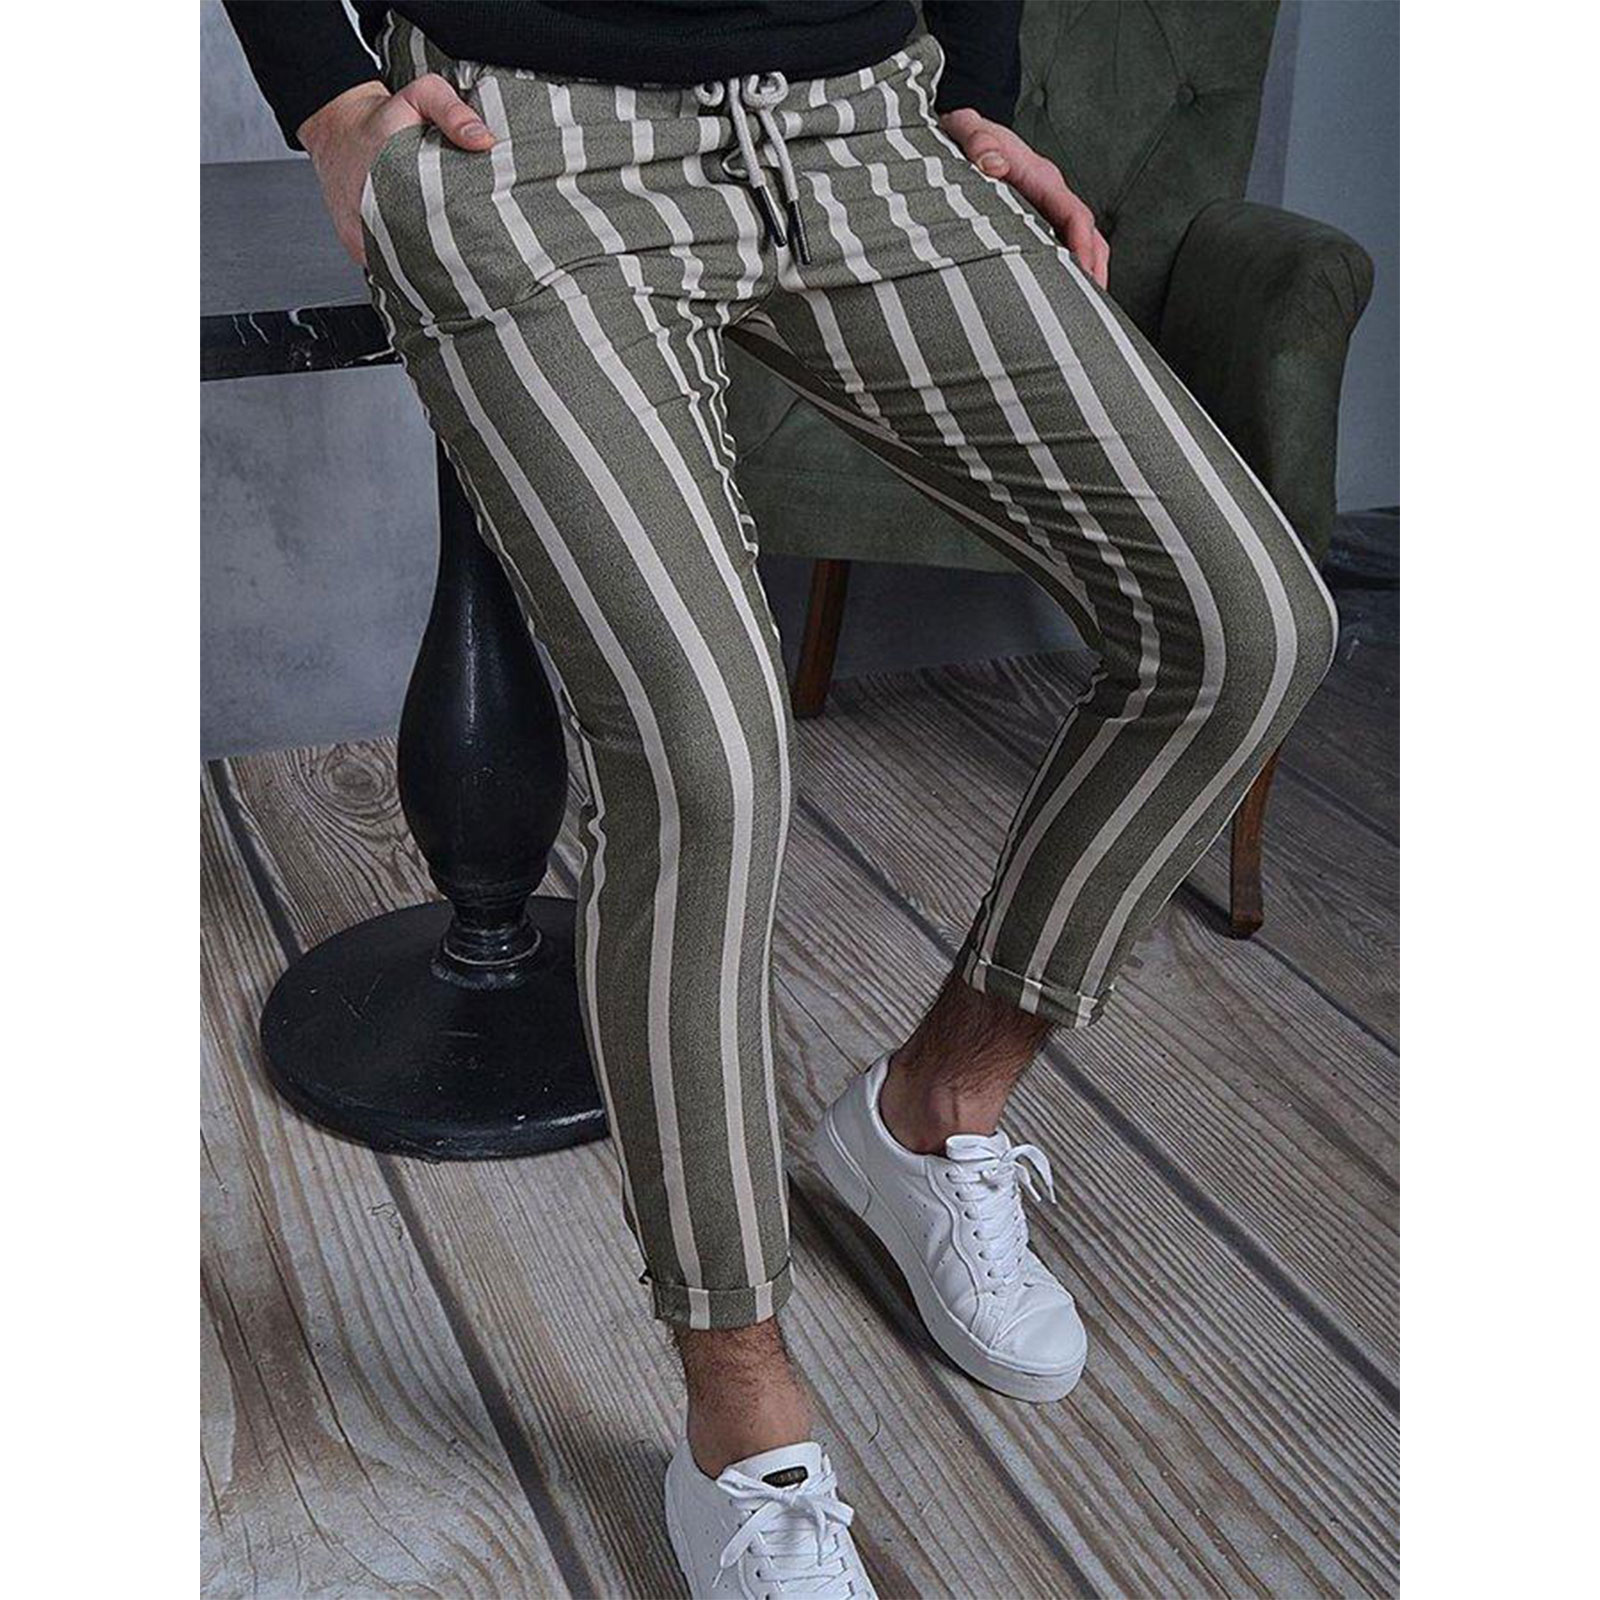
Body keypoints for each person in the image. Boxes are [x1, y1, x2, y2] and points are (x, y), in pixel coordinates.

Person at [223, 4, 1339, 1594]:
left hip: (869, 123)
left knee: (1246, 625)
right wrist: (326, 94)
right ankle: (740, 1421)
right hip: (524, 143)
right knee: (706, 758)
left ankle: (934, 1109)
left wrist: (983, 92)